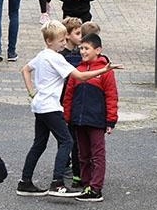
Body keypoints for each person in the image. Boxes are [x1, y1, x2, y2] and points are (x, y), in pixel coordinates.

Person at [17, 20, 120, 198]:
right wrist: (104, 70)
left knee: (39, 144)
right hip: (51, 108)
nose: (65, 43)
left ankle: (25, 182)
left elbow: (25, 69)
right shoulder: (56, 58)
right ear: (50, 41)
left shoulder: (41, 55)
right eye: (61, 40)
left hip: (39, 106)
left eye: (65, 39)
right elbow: (80, 76)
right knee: (67, 142)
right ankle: (57, 182)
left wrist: (32, 93)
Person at [63, 33, 119, 202]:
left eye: (86, 48)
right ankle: (86, 183)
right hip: (79, 120)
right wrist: (68, 116)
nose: (82, 51)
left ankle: (95, 188)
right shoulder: (78, 70)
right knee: (82, 154)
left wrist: (111, 120)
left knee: (97, 154)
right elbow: (68, 95)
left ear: (98, 50)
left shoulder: (105, 72)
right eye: (81, 48)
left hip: (96, 120)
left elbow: (111, 96)